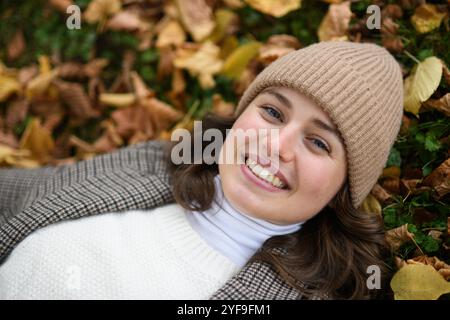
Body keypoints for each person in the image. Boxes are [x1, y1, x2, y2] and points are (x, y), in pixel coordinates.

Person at [0, 40, 404, 299]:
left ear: (342, 189)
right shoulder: (151, 164)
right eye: (273, 112)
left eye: (318, 143)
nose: (275, 145)